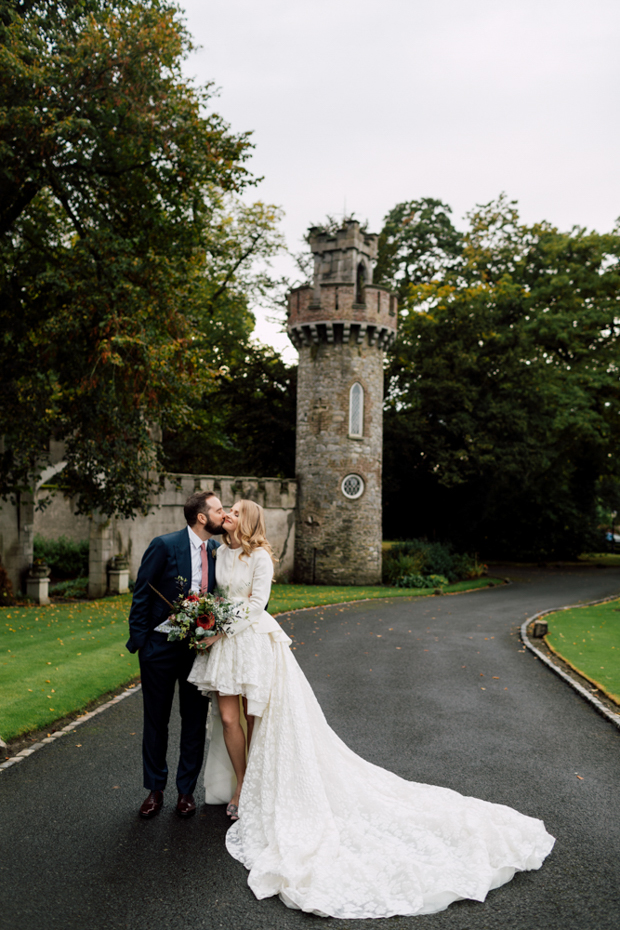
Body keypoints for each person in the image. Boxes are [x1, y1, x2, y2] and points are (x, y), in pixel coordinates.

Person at [188, 500, 555, 919]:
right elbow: (217, 595)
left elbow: (256, 606)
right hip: (223, 647)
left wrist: (218, 630)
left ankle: (249, 790)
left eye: (234, 510)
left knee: (257, 722)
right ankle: (240, 786)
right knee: (228, 720)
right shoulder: (220, 553)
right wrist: (206, 623)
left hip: (252, 643)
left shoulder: (262, 558)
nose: (228, 514)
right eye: (226, 510)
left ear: (248, 520)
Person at [127, 490, 225, 819]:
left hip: (198, 650)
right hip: (159, 650)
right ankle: (154, 790)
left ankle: (186, 792)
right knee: (156, 721)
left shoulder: (217, 551)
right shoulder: (165, 545)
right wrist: (141, 642)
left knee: (194, 721)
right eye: (219, 510)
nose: (224, 515)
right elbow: (142, 592)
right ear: (202, 517)